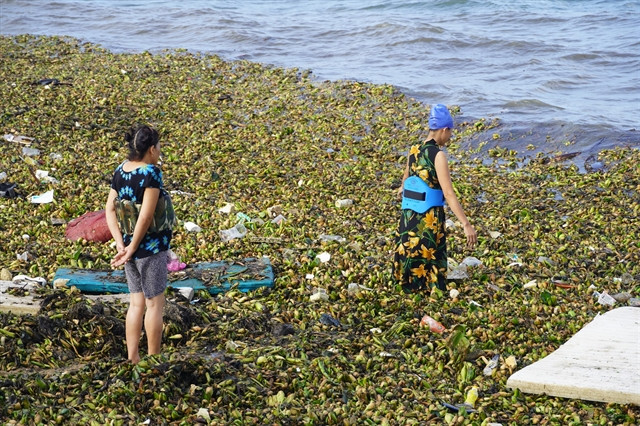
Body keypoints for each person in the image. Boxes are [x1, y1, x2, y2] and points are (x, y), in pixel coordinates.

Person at [105, 124, 175, 364]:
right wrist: (134, 247)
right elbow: (145, 216)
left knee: (136, 303)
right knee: (154, 303)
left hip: (127, 248)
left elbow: (109, 210)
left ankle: (132, 358)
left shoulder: (120, 170)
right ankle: (153, 358)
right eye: (159, 147)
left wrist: (121, 246)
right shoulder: (151, 173)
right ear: (152, 149)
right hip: (150, 248)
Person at [393, 104, 477, 292]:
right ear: (444, 129)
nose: (450, 137)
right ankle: (429, 288)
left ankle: (408, 284)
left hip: (408, 221)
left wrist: (402, 192)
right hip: (428, 221)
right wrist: (465, 224)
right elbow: (448, 193)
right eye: (450, 133)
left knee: (409, 252)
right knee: (430, 259)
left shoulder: (414, 151)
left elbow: (405, 181)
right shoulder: (438, 156)